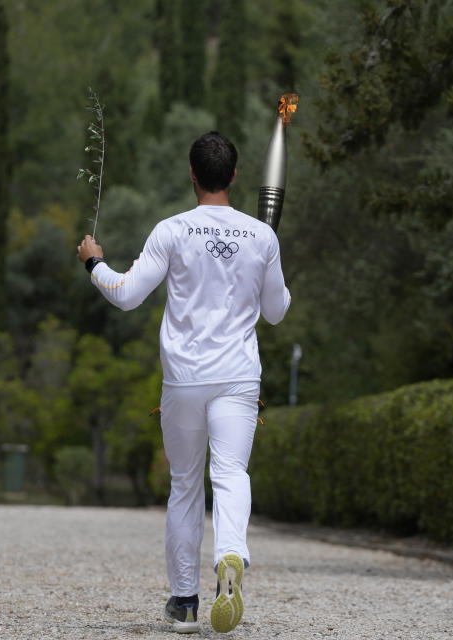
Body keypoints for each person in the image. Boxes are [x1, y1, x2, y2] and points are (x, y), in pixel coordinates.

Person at [76, 131, 290, 634]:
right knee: (232, 473)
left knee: (185, 487)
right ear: (233, 176)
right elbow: (277, 312)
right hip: (237, 378)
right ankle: (232, 555)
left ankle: (185, 604)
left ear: (192, 175)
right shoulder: (262, 236)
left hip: (185, 381)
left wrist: (93, 262)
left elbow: (126, 295)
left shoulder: (171, 230)